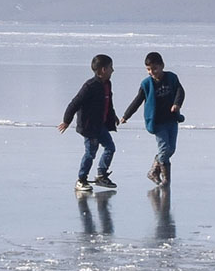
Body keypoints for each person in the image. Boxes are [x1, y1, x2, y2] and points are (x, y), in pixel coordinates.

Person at [120, 51, 185, 188]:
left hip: (172, 119)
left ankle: (154, 170)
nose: (152, 72)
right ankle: (166, 179)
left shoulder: (171, 78)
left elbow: (180, 91)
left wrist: (176, 104)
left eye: (154, 68)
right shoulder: (147, 84)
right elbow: (137, 100)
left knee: (171, 149)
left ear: (162, 66)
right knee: (164, 148)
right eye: (148, 69)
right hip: (157, 122)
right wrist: (126, 115)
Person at [58, 54, 119, 191]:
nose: (112, 70)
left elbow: (108, 103)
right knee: (90, 152)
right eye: (110, 67)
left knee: (110, 147)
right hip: (89, 126)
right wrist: (67, 120)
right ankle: (81, 179)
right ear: (103, 70)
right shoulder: (90, 86)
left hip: (101, 126)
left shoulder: (107, 84)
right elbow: (75, 103)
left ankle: (101, 175)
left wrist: (113, 116)